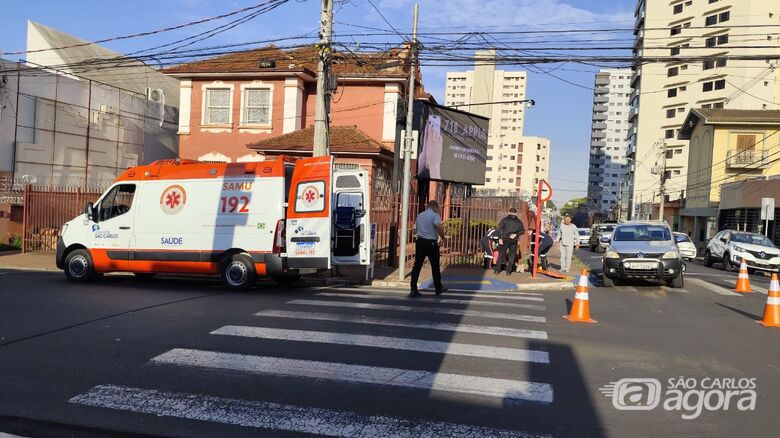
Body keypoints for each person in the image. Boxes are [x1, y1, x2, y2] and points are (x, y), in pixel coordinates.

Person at [410, 200, 448, 297]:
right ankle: (438, 288)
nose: (438, 209)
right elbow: (438, 226)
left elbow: (415, 228)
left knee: (417, 266)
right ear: (435, 207)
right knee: (435, 266)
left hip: (420, 242)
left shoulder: (420, 215)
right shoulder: (435, 215)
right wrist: (443, 237)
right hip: (431, 243)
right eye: (437, 207)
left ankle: (413, 289)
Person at [495, 207, 525, 276]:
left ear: (508, 212)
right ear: (515, 213)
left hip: (504, 239)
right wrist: (516, 234)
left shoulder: (504, 220)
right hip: (514, 241)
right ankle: (508, 271)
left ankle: (497, 270)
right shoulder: (519, 222)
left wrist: (500, 238)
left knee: (501, 255)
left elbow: (499, 229)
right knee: (511, 256)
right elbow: (523, 231)